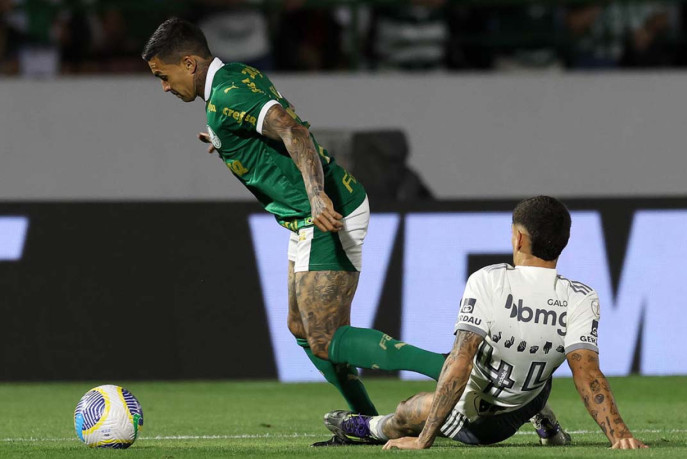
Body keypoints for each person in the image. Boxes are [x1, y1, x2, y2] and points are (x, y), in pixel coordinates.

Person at [140, 17, 446, 446]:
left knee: (322, 338)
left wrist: (318, 195)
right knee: (301, 330)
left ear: (188, 63)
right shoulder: (234, 78)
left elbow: (293, 130)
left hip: (323, 211)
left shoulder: (228, 92)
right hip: (307, 214)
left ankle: (449, 365)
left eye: (163, 76)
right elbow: (264, 123)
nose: (164, 87)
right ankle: (367, 424)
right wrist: (224, 140)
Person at [323, 196, 648, 450]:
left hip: (478, 424)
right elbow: (587, 373)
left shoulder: (489, 280)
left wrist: (424, 439)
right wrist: (620, 436)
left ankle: (368, 427)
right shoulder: (581, 296)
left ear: (519, 239)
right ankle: (543, 415)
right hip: (530, 397)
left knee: (407, 411)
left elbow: (461, 361)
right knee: (532, 356)